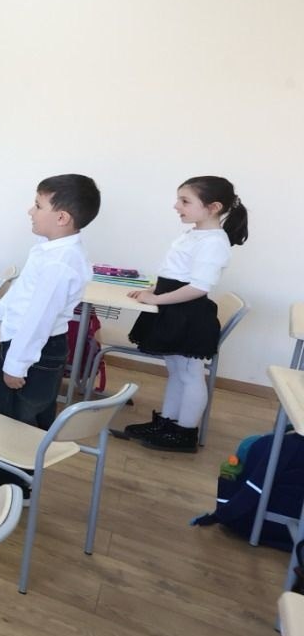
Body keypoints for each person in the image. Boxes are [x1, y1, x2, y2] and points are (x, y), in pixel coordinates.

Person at [0, 174, 100, 503]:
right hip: (29, 349)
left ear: (62, 217)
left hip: (33, 352)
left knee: (9, 421)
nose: (30, 211)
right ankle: (11, 479)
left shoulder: (60, 262)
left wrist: (16, 365)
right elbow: (19, 297)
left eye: (38, 205)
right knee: (19, 415)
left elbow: (38, 320)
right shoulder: (49, 251)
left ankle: (9, 489)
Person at [117, 176, 250, 453]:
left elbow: (199, 287)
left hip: (188, 316)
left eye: (185, 201)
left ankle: (185, 433)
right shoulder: (195, 234)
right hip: (175, 310)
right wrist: (153, 289)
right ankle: (167, 423)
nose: (176, 206)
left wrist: (157, 298)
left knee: (190, 375)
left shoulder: (214, 241)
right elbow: (177, 273)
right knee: (177, 372)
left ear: (213, 207)